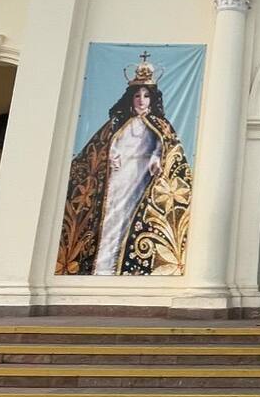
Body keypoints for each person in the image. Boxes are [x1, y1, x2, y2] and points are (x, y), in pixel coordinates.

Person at [55, 54, 192, 276]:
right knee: (111, 219)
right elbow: (105, 145)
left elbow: (164, 147)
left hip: (141, 179)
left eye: (146, 96)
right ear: (130, 98)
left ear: (152, 99)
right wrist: (111, 153)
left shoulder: (161, 125)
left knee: (132, 218)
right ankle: (103, 267)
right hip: (117, 178)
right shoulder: (117, 123)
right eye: (137, 95)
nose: (141, 100)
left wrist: (157, 157)